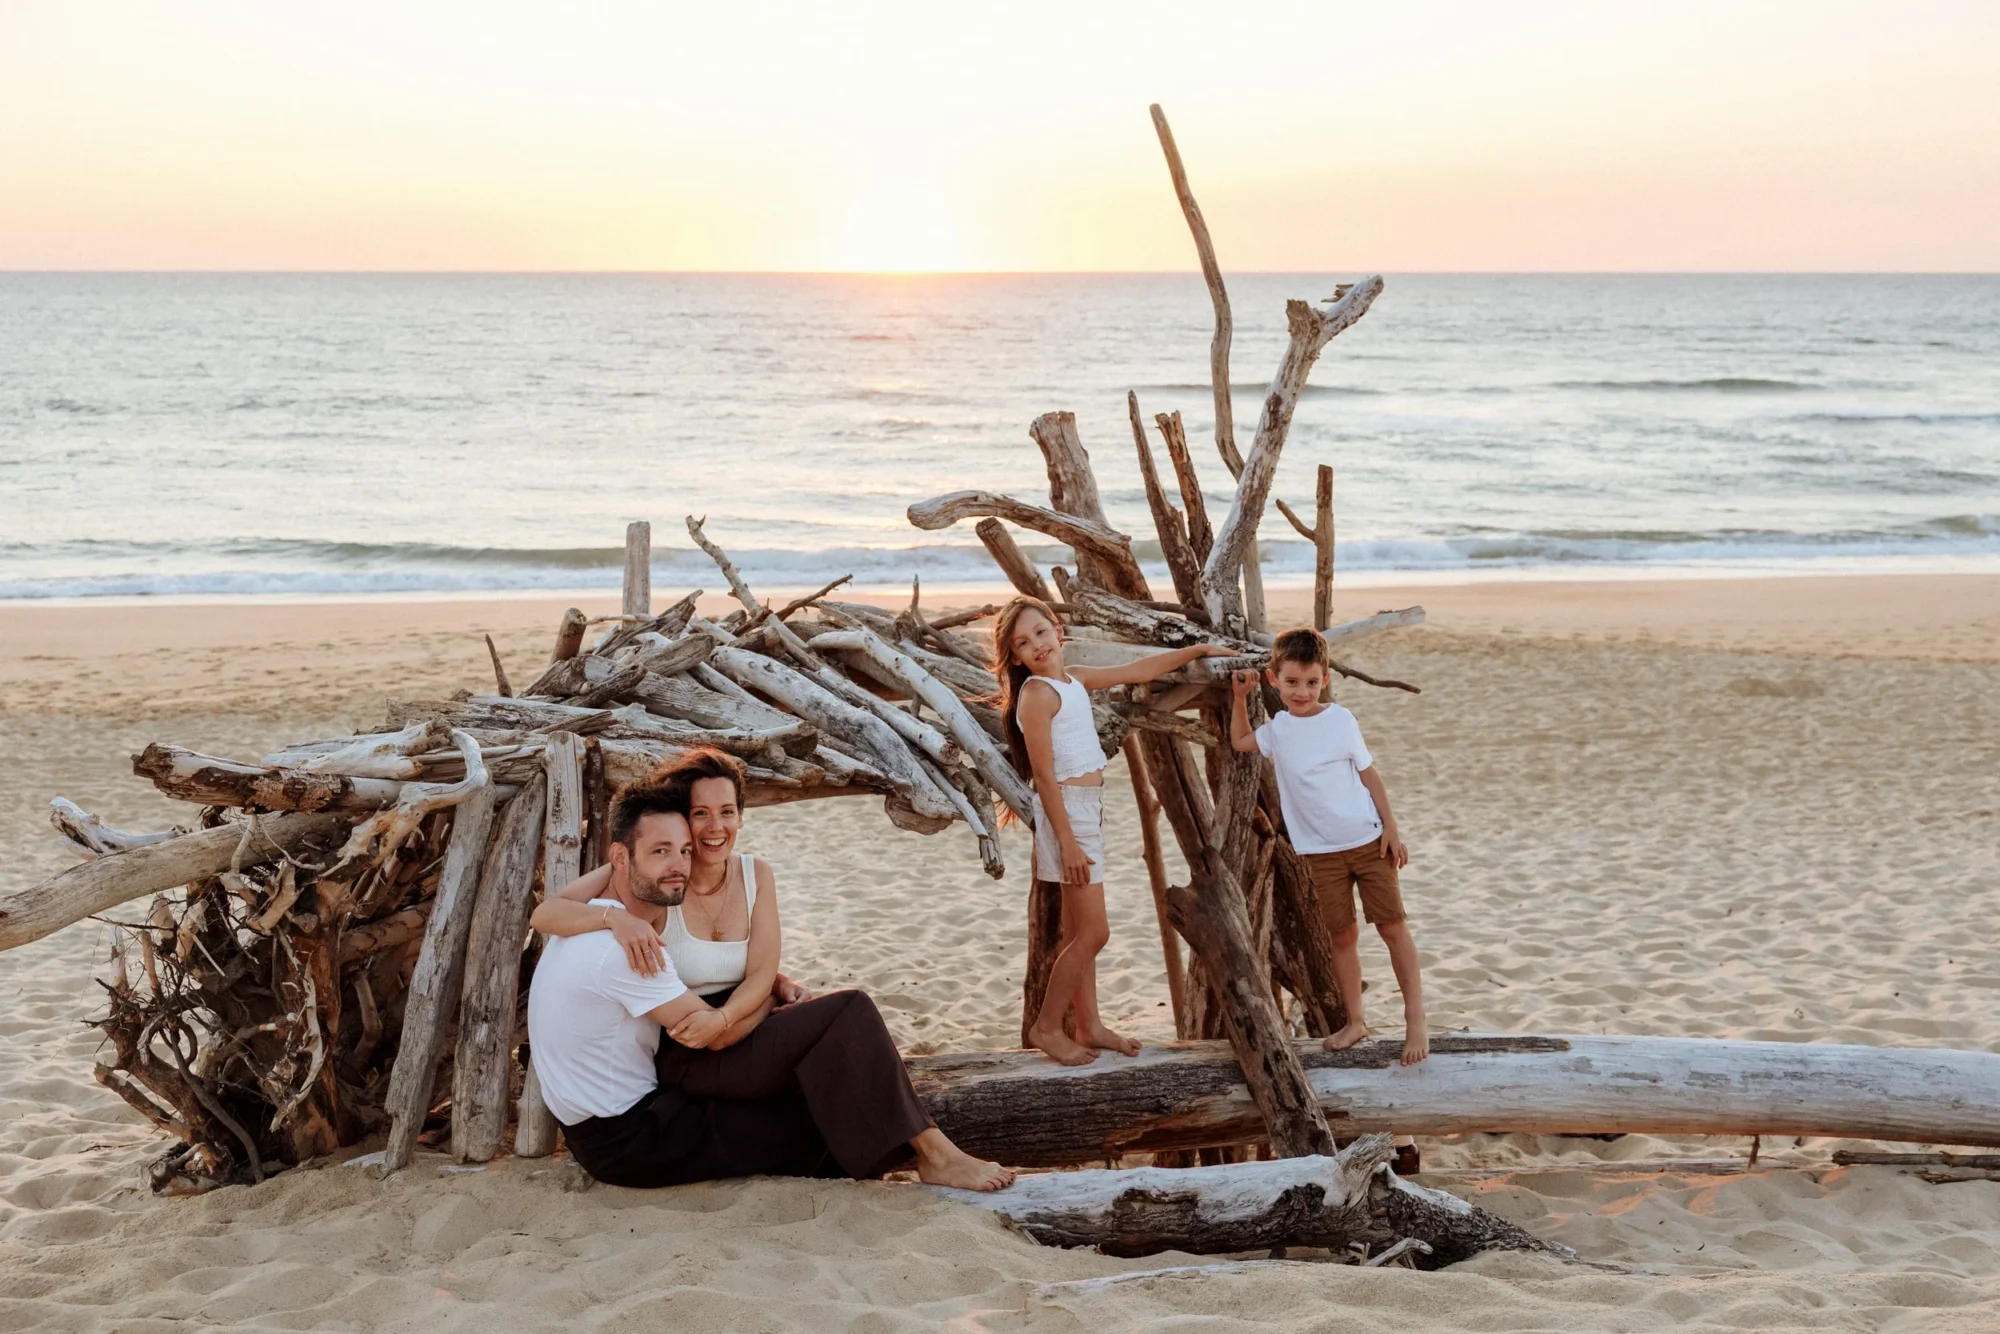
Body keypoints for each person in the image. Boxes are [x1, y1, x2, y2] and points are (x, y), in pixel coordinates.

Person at [525, 777, 1015, 1191]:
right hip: (632, 1137)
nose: (678, 863)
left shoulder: (601, 918)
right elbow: (712, 1032)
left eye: (682, 850)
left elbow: (553, 910)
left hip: (618, 1120)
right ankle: (935, 1155)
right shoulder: (625, 947)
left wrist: (767, 984)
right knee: (831, 1083)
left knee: (822, 1092)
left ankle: (927, 1153)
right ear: (622, 858)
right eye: (660, 851)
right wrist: (760, 999)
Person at [992, 594, 1234, 1065]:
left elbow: (1139, 670)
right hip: (1068, 818)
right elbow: (1043, 777)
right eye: (1023, 643)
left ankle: (1089, 1024)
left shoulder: (1073, 680)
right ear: (1016, 657)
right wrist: (1068, 843)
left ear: (1056, 630)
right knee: (1096, 933)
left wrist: (1198, 651)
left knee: (1079, 931)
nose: (1037, 645)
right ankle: (1045, 1027)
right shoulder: (1037, 695)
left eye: (1040, 632)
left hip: (1087, 810)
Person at [1230, 627, 1429, 1065]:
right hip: (1321, 853)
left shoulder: (1341, 720)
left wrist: (1391, 827)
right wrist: (1239, 700)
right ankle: (1356, 1020)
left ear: (1325, 681)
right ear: (1273, 679)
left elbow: (1369, 775)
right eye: (1292, 682)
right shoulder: (1277, 730)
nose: (1302, 692)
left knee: (1392, 927)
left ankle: (1415, 1018)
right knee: (1342, 936)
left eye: (1312, 682)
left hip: (1368, 841)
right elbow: (1240, 742)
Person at [531, 748, 800, 1049]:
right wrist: (615, 918)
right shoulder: (660, 879)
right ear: (685, 820)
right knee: (848, 1008)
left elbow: (760, 971)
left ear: (740, 817)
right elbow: (545, 914)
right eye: (700, 813)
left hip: (737, 1022)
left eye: (726, 811)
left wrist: (772, 987)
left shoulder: (757, 874)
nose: (715, 827)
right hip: (689, 1038)